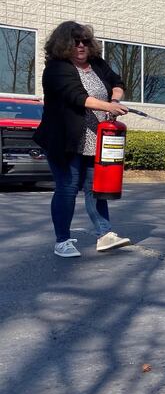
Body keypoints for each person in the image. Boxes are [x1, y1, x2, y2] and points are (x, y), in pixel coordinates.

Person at [34, 21, 132, 258]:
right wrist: (107, 105)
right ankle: (62, 241)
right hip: (64, 140)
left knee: (94, 188)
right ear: (64, 44)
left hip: (94, 141)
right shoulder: (57, 69)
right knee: (67, 188)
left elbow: (117, 83)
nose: (80, 45)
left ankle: (105, 234)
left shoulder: (96, 64)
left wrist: (115, 101)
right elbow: (78, 98)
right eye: (75, 41)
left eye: (85, 41)